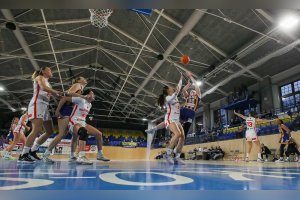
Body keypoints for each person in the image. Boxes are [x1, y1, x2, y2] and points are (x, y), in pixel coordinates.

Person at [41, 77, 89, 164]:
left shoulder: (81, 88)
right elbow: (67, 95)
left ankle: (72, 156)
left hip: (72, 111)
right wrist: (57, 110)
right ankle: (45, 155)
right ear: (78, 80)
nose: (85, 79)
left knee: (75, 135)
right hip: (66, 109)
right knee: (62, 134)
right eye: (83, 78)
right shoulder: (77, 85)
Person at [18, 67, 61, 163]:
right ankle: (24, 154)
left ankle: (33, 150)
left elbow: (49, 92)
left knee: (49, 130)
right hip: (37, 103)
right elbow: (42, 87)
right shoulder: (39, 77)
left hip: (45, 106)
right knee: (36, 129)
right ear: (43, 71)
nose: (51, 71)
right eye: (49, 70)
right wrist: (55, 92)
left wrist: (60, 94)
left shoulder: (48, 82)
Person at [56, 89, 109, 164]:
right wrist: (57, 111)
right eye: (92, 94)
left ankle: (100, 155)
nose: (94, 95)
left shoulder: (90, 105)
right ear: (87, 95)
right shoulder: (80, 99)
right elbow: (64, 98)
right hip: (74, 121)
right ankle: (81, 157)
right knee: (83, 132)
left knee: (99, 134)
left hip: (82, 122)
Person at [157, 74, 185, 164]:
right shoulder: (168, 98)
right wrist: (179, 84)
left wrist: (181, 78)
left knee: (182, 137)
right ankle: (168, 154)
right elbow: (177, 91)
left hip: (177, 120)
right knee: (177, 134)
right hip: (170, 119)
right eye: (170, 87)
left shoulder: (175, 97)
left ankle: (177, 156)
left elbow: (178, 89)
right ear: (168, 90)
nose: (172, 87)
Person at [180, 71, 201, 136]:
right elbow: (183, 90)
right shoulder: (187, 97)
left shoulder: (198, 95)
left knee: (185, 130)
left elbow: (196, 85)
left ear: (195, 92)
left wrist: (190, 76)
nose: (192, 91)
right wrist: (188, 84)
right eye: (191, 91)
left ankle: (183, 136)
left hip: (191, 112)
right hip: (184, 110)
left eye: (193, 91)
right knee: (175, 120)